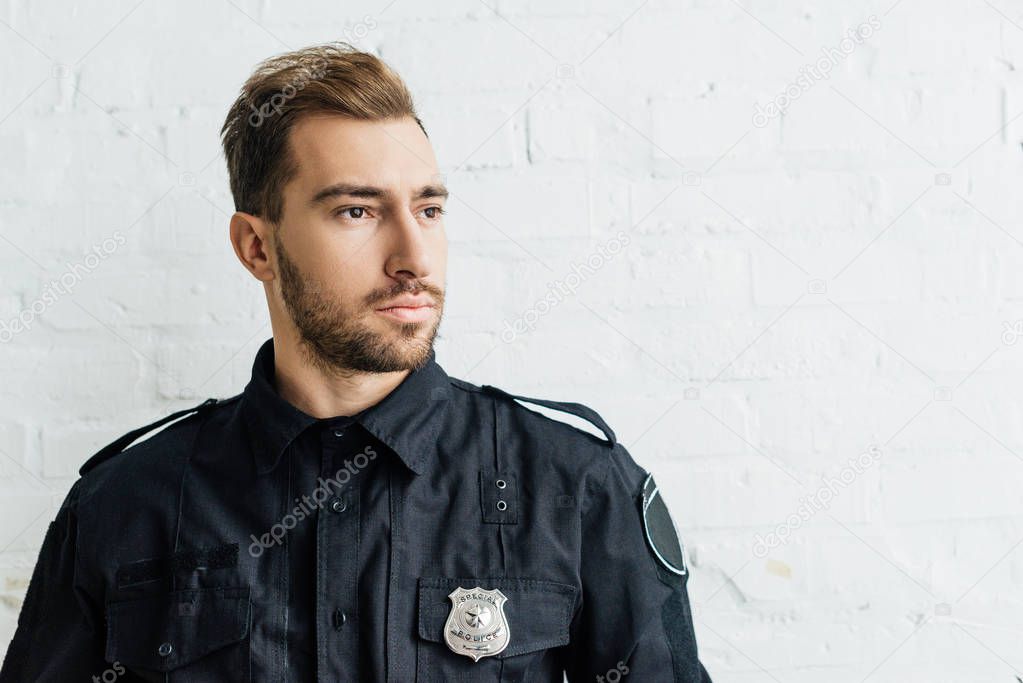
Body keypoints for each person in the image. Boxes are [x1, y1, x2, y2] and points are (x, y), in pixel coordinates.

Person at [0, 42, 711, 682]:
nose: (413, 259)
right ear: (256, 247)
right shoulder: (124, 505)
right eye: (356, 212)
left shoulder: (577, 487)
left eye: (427, 209)